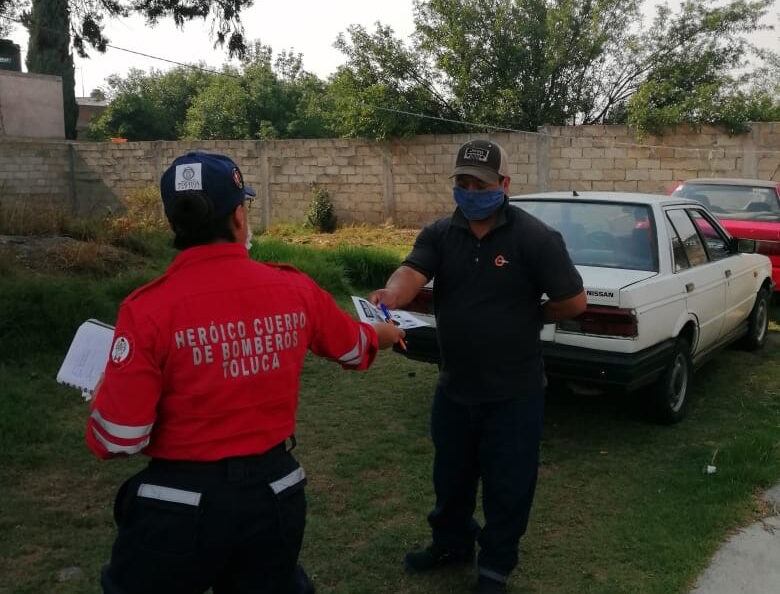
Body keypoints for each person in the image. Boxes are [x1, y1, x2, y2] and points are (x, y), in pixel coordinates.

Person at [86, 150, 405, 594]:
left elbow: (119, 437)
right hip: (274, 496)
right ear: (239, 216)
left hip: (176, 506)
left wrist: (106, 388)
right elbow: (354, 348)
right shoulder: (294, 288)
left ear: (174, 223)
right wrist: (385, 334)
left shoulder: (147, 309)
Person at [369, 139, 586, 593]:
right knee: (451, 478)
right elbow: (411, 272)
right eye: (463, 183)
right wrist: (391, 293)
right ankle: (451, 544)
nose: (470, 192)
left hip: (514, 393)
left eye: (480, 185)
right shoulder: (440, 233)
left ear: (504, 185)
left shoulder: (535, 238)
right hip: (455, 388)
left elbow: (573, 301)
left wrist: (534, 315)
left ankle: (496, 566)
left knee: (509, 485)